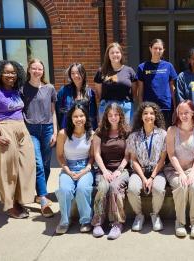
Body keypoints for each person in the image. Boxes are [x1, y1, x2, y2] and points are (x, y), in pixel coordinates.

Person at [0, 60, 35, 219]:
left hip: (21, 129)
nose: (11, 75)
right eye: (7, 72)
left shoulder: (16, 91)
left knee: (26, 166)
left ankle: (19, 199)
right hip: (4, 130)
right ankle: (10, 206)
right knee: (7, 170)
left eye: (13, 72)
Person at [164, 100, 194, 238]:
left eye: (186, 112)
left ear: (193, 112)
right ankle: (180, 222)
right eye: (180, 113)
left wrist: (192, 173)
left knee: (193, 187)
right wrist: (181, 173)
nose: (183, 116)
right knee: (181, 186)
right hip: (175, 169)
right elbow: (171, 154)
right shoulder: (171, 130)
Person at [21, 58, 56, 218]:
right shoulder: (22, 89)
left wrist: (55, 131)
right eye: (34, 68)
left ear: (43, 71)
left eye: (40, 69)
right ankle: (43, 199)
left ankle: (39, 193)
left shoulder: (49, 88)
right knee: (39, 164)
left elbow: (53, 111)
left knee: (47, 164)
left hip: (48, 128)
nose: (37, 71)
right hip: (31, 130)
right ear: (29, 70)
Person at [91, 103, 130, 240]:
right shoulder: (99, 132)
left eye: (116, 115)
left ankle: (117, 223)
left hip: (122, 170)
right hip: (104, 169)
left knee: (114, 187)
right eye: (110, 115)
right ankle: (98, 222)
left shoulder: (126, 132)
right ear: (106, 116)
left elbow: (127, 156)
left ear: (120, 116)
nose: (113, 118)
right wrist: (105, 171)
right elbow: (97, 154)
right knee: (102, 186)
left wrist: (119, 170)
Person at [126, 102, 167, 232]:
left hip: (157, 171)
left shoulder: (163, 135)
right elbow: (133, 160)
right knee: (132, 189)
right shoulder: (134, 136)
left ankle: (155, 215)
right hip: (139, 172)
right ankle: (139, 215)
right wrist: (144, 178)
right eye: (145, 113)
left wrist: (152, 177)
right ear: (141, 116)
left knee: (159, 189)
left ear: (156, 116)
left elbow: (162, 159)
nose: (148, 116)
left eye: (151, 113)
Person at [55, 103, 95, 234]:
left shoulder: (91, 134)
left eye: (81, 116)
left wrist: (85, 170)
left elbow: (92, 157)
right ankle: (64, 221)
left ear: (86, 117)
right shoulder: (63, 134)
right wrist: (67, 171)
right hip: (68, 166)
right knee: (65, 190)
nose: (79, 119)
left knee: (83, 189)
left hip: (85, 167)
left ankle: (85, 220)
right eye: (75, 116)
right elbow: (60, 156)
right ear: (71, 118)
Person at [136, 39, 178, 128]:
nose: (157, 51)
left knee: (165, 134)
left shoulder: (168, 66)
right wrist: (141, 108)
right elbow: (140, 90)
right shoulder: (142, 67)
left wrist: (175, 108)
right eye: (155, 48)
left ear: (163, 50)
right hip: (149, 109)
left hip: (166, 107)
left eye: (160, 49)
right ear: (150, 49)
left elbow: (172, 88)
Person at [94, 42, 137, 125]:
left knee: (126, 133)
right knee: (106, 133)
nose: (115, 55)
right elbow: (99, 93)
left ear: (121, 54)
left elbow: (134, 92)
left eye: (117, 52)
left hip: (125, 107)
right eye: (112, 53)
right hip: (106, 107)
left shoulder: (129, 71)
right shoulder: (101, 71)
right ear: (108, 55)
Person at [56, 63, 97, 130]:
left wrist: (91, 131)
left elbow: (92, 116)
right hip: (68, 129)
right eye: (72, 73)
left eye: (78, 72)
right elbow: (59, 111)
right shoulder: (63, 90)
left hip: (84, 130)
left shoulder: (90, 92)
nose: (75, 75)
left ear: (83, 74)